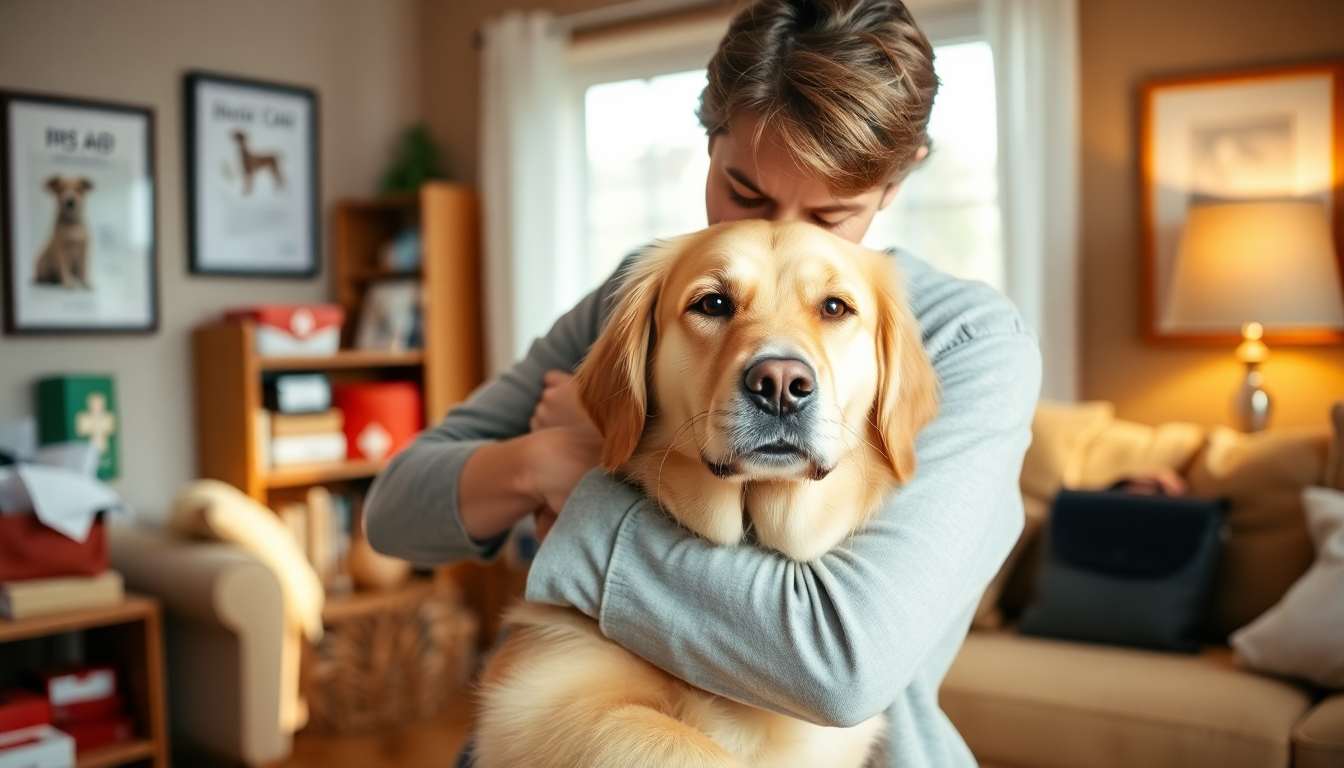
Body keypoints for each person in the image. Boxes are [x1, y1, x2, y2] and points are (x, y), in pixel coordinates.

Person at [364, 0, 1041, 764]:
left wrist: (588, 495)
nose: (778, 233)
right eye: (745, 193)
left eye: (832, 213)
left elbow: (844, 663)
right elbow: (396, 509)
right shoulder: (657, 289)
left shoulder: (969, 340)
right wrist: (540, 463)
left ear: (896, 180)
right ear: (709, 138)